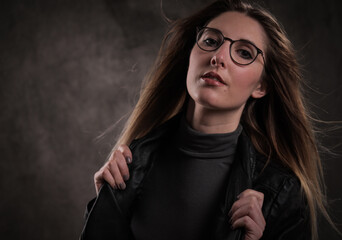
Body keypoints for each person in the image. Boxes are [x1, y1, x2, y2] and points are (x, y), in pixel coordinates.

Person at [80, 0, 334, 239]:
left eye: (244, 53)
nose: (218, 57)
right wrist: (105, 209)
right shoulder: (131, 165)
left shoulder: (281, 193)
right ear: (190, 55)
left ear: (261, 86)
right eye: (211, 40)